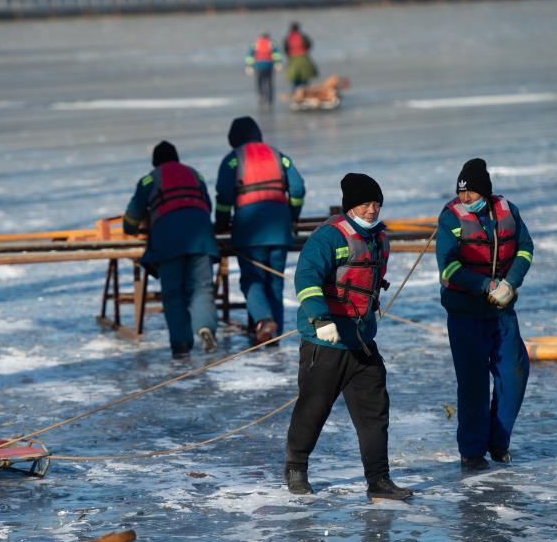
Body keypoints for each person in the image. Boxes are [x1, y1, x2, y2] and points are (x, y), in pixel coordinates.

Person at [284, 173, 412, 500]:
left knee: (374, 412)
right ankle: (296, 467)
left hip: (362, 341)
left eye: (376, 204)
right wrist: (320, 318)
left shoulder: (378, 239)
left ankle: (379, 481)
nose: (372, 210)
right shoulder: (328, 238)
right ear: (350, 206)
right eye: (365, 204)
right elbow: (307, 278)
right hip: (325, 341)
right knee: (313, 408)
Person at [436, 158, 534, 470]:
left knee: (514, 376)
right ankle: (472, 451)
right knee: (473, 383)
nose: (465, 199)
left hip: (502, 311)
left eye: (472, 194)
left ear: (486, 193)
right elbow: (448, 267)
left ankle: (499, 442)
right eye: (461, 193)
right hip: (465, 313)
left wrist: (510, 283)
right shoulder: (450, 217)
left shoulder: (508, 210)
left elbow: (525, 248)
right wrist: (486, 285)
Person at [123, 141, 220, 358]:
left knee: (173, 293)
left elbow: (133, 214)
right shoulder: (195, 174)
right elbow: (207, 204)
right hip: (201, 235)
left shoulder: (150, 179)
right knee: (202, 288)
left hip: (168, 239)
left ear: (155, 162)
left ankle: (181, 344)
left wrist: (130, 228)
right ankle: (205, 328)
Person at [215, 116, 305, 343]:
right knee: (274, 283)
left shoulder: (233, 160)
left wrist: (222, 222)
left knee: (251, 280)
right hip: (280, 229)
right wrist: (292, 216)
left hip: (249, 230)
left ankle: (264, 321)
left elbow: (224, 196)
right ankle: (273, 338)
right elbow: (298, 189)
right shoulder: (279, 156)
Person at [245, 33, 282, 107]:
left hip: (258, 66)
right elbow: (276, 54)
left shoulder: (255, 44)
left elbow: (250, 55)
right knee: (269, 83)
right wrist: (278, 63)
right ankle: (270, 99)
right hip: (269, 65)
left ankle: (261, 96)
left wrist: (249, 66)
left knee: (259, 82)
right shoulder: (272, 43)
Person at [282, 22, 318, 91]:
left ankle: (295, 94)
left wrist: (290, 54)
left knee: (295, 80)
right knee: (305, 79)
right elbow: (309, 44)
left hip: (293, 60)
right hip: (303, 58)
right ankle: (306, 93)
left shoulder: (288, 38)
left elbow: (285, 49)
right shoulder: (303, 36)